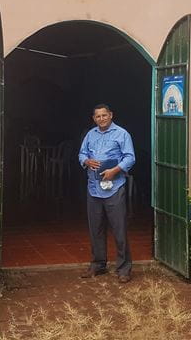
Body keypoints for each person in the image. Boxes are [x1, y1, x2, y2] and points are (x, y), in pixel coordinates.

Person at [78, 103, 135, 283]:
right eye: (98, 116)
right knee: (96, 228)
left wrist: (115, 170)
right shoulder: (90, 134)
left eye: (104, 115)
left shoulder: (122, 134)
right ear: (94, 119)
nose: (101, 119)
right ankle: (98, 264)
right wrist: (86, 161)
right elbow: (81, 154)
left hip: (114, 187)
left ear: (111, 115)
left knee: (119, 229)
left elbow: (130, 157)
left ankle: (124, 269)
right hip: (94, 187)